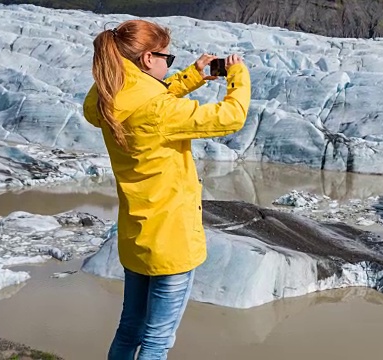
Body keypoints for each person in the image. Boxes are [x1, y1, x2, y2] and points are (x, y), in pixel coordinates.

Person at [82, 19, 251, 359]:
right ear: (147, 59)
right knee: (158, 341)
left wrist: (191, 76)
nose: (167, 64)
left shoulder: (105, 98)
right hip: (171, 243)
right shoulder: (158, 110)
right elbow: (231, 116)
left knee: (129, 330)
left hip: (136, 238)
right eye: (167, 59)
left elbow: (147, 99)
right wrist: (238, 76)